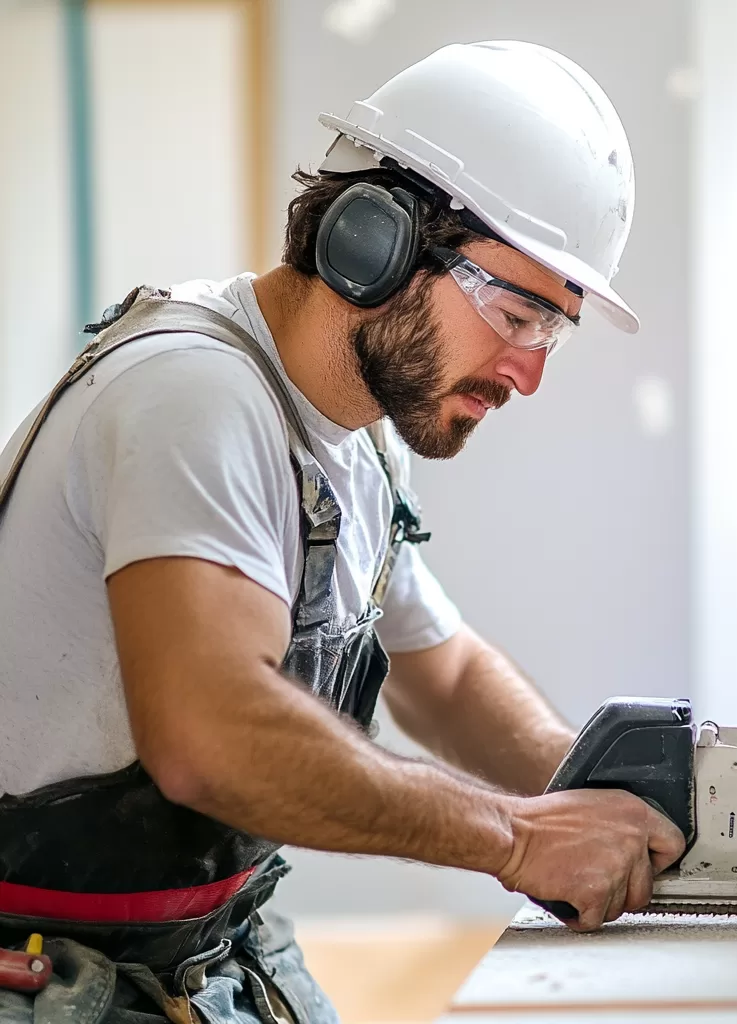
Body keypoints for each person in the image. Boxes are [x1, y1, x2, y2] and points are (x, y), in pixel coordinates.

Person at [0, 40, 684, 1023]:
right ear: (375, 244)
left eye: (553, 332)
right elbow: (210, 735)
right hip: (51, 973)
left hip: (207, 949)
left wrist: (613, 798)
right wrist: (517, 835)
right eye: (518, 313)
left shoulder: (354, 447)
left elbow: (440, 677)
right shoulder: (191, 393)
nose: (528, 372)